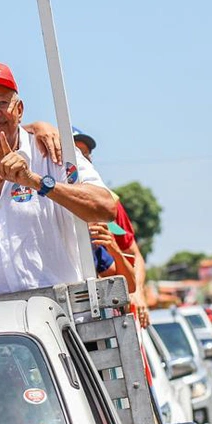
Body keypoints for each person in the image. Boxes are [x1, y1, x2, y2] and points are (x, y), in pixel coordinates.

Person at [0, 60, 119, 297]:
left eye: (1, 102)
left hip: (61, 321)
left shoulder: (54, 153)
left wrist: (38, 183)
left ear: (19, 109)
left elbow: (106, 207)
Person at [73, 127, 149, 327]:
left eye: (86, 155)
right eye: (76, 154)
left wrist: (138, 294)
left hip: (111, 315)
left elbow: (133, 256)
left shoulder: (110, 204)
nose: (83, 160)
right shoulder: (45, 203)